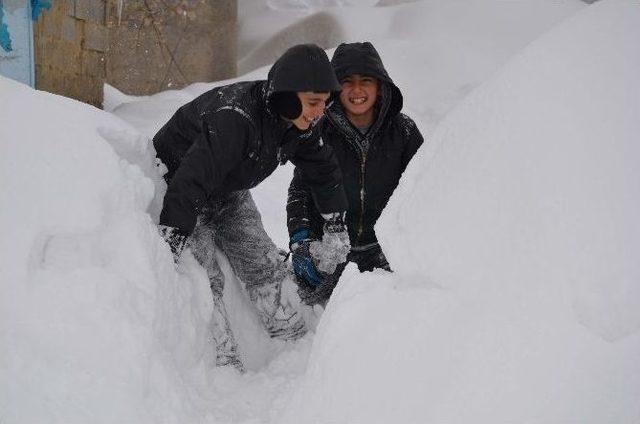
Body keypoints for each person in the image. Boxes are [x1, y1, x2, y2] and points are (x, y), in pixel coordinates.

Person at [154, 44, 349, 371]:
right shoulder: (236, 118)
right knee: (205, 277)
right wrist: (172, 241)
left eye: (324, 104)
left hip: (229, 192)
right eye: (313, 102)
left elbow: (324, 171)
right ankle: (221, 360)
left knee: (261, 259)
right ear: (286, 95)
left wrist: (336, 225)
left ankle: (292, 337)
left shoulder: (297, 123)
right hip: (180, 187)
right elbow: (191, 181)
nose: (319, 113)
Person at [287, 42, 424, 306]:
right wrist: (301, 240)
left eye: (366, 80)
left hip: (386, 252)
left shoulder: (404, 132)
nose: (357, 90)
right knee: (310, 315)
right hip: (331, 252)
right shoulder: (318, 130)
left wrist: (414, 246)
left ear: (380, 85)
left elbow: (422, 191)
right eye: (347, 81)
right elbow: (301, 190)